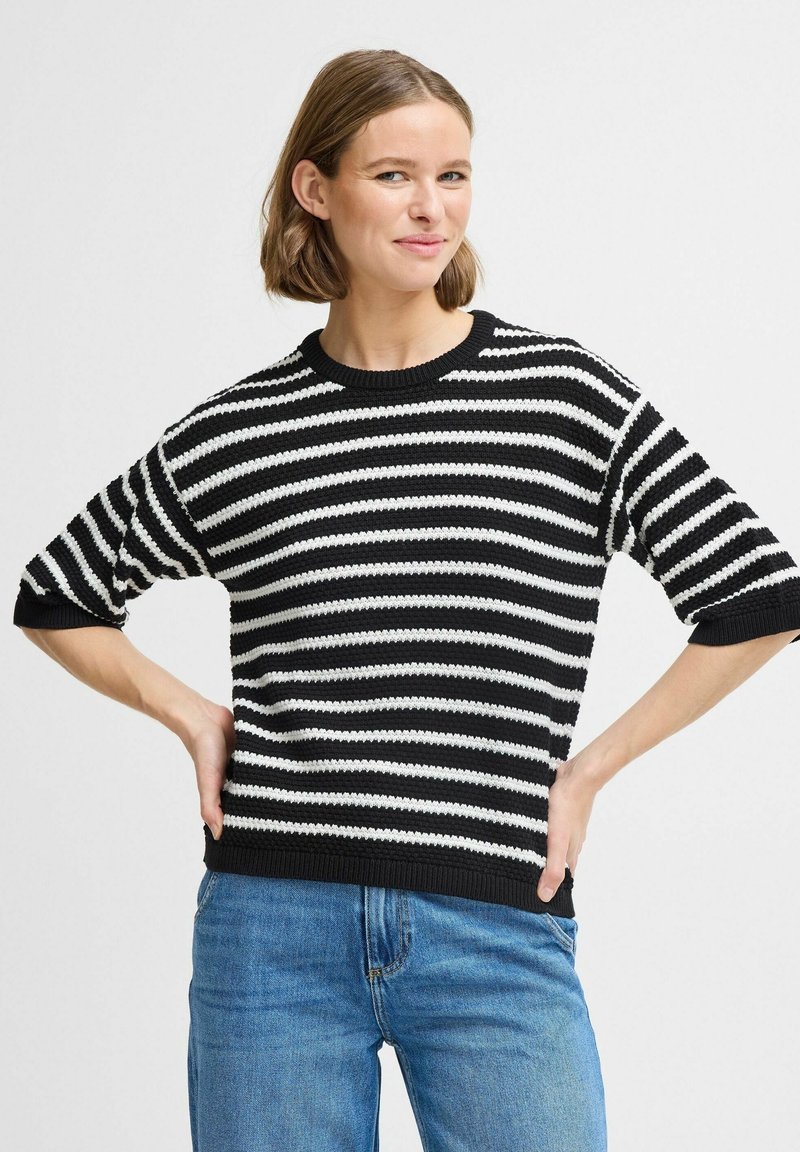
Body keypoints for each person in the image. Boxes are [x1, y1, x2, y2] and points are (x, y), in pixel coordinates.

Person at [13, 47, 800, 1152]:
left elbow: (755, 595)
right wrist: (192, 717)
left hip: (493, 921)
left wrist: (586, 771)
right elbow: (57, 593)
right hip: (271, 927)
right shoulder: (241, 431)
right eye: (393, 176)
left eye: (453, 176)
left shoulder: (562, 400)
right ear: (315, 188)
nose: (432, 208)